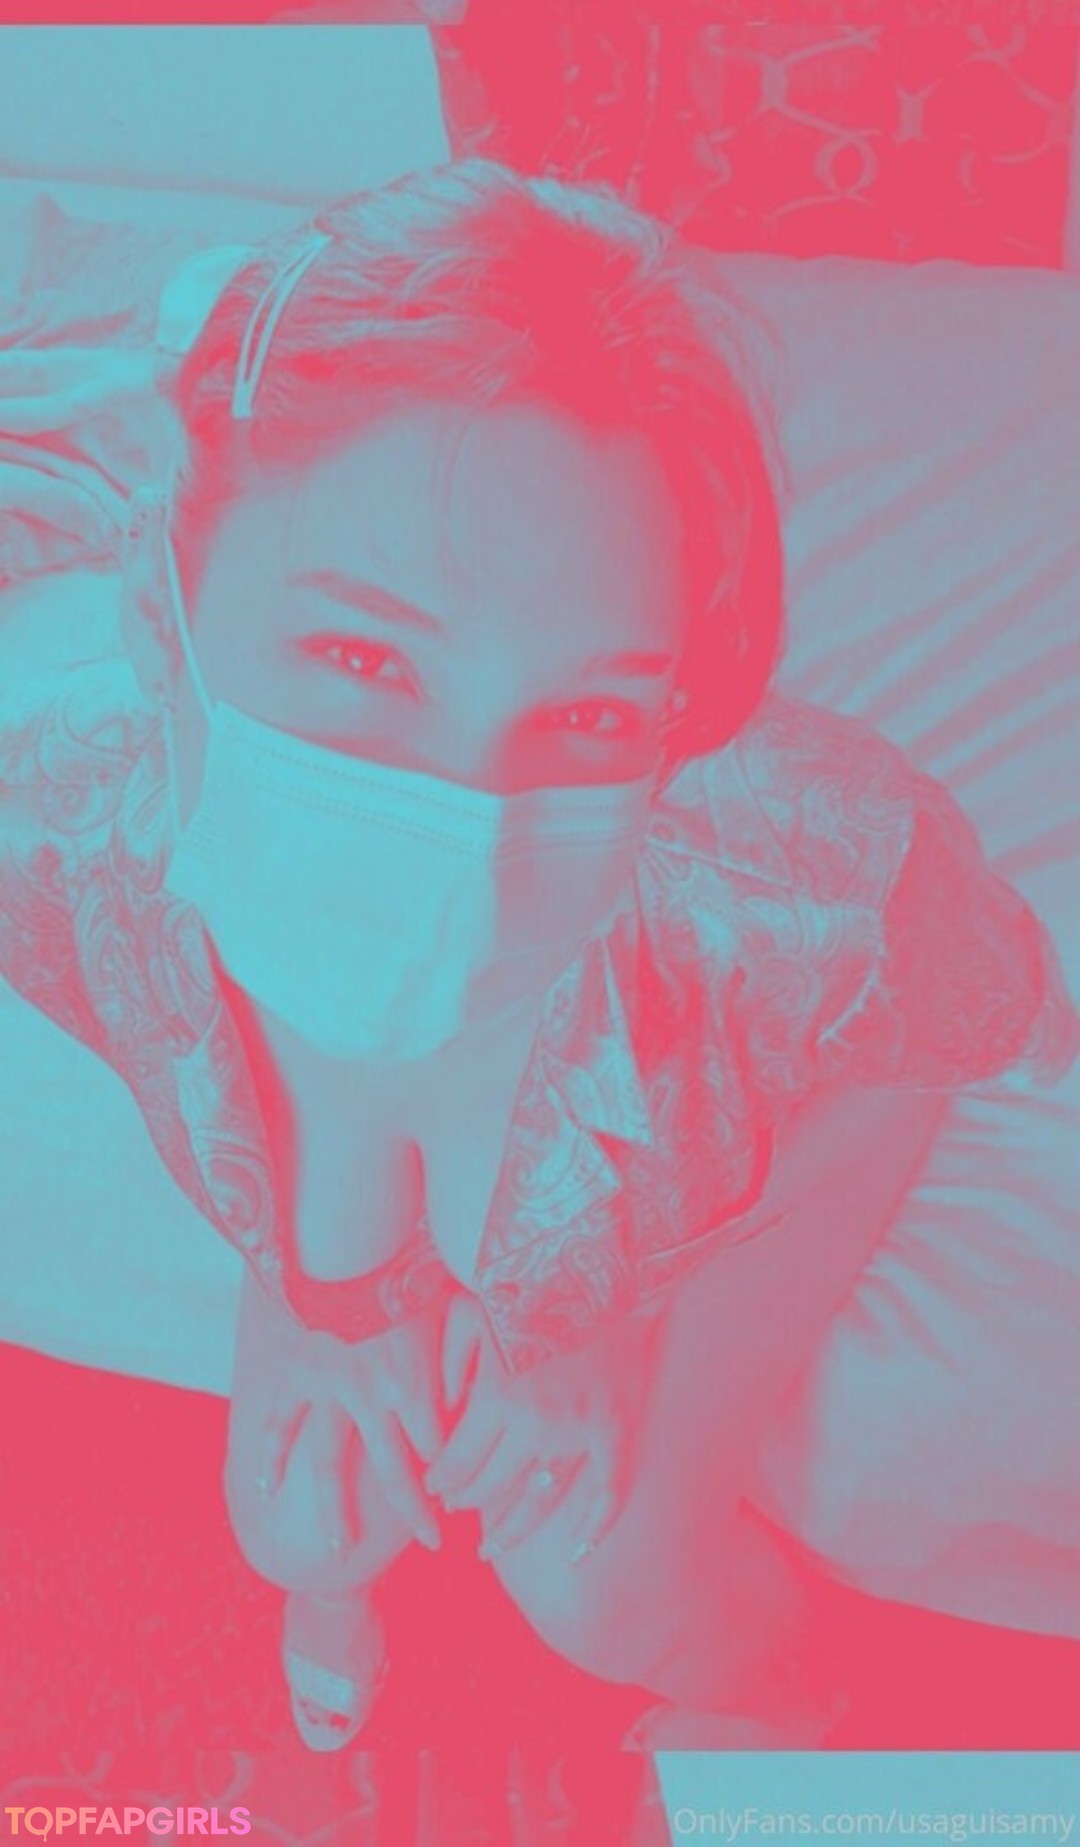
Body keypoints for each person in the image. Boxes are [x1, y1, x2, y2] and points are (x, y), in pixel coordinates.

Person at [1, 160, 1075, 1754]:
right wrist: (323, 1298)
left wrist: (609, 1331)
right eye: (361, 654)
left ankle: (810, 1710)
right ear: (167, 606)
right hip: (332, 1254)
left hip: (670, 1225)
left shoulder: (790, 879)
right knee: (292, 1517)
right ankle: (329, 1593)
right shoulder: (73, 841)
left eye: (588, 712)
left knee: (611, 1584)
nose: (465, 826)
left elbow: (946, 1018)